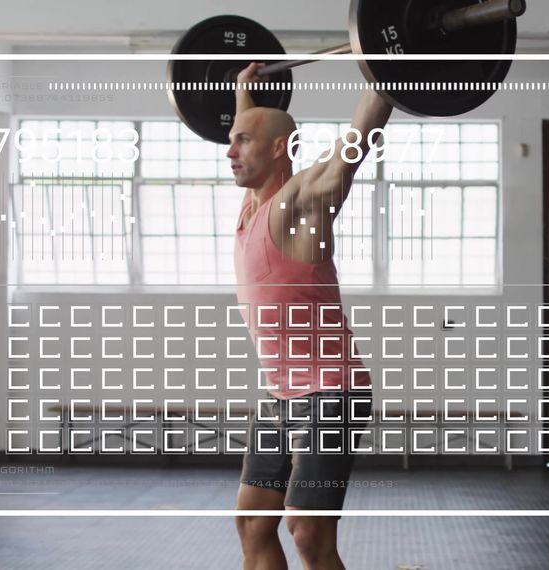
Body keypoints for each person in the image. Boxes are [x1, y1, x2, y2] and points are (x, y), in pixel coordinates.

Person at [229, 62, 393, 570]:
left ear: (278, 149)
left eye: (241, 142)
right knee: (253, 521)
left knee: (306, 529)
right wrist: (244, 93)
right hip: (284, 395)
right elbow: (258, 128)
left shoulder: (298, 202)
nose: (229, 152)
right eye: (230, 140)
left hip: (332, 392)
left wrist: (388, 73)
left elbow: (350, 154)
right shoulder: (251, 207)